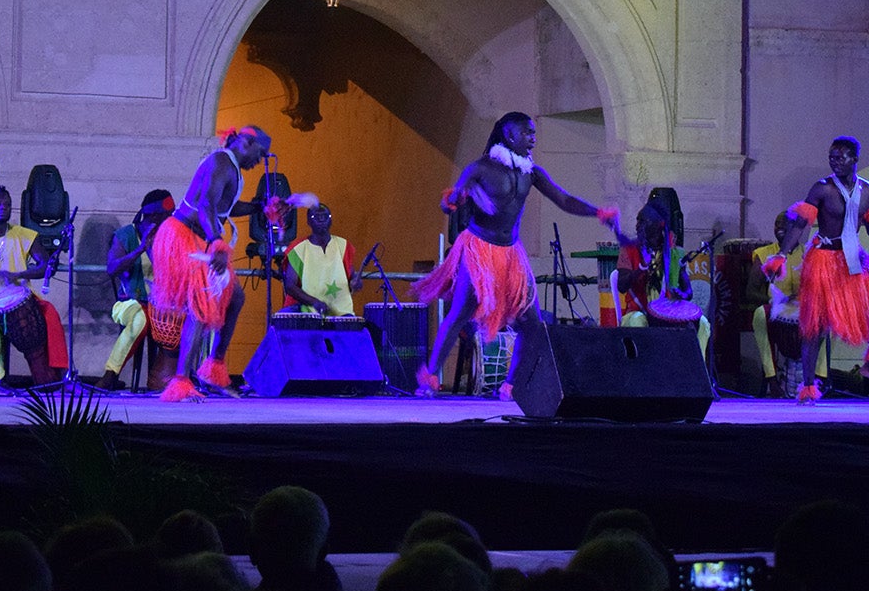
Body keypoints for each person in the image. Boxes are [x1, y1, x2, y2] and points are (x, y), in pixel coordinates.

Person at [413, 112, 619, 399]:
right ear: (509, 135)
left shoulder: (532, 173)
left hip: (511, 256)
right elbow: (452, 201)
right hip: (479, 251)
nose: (533, 138)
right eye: (527, 132)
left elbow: (564, 199)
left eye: (533, 132)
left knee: (532, 325)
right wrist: (453, 200)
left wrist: (598, 213)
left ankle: (511, 385)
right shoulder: (480, 168)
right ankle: (430, 378)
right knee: (460, 313)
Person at [148, 125, 305, 400]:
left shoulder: (231, 168)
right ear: (246, 142)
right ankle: (182, 381)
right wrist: (217, 242)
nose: (261, 160)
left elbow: (225, 207)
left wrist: (259, 207)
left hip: (200, 238)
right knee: (201, 303)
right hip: (185, 237)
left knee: (235, 297)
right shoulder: (221, 161)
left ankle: (214, 368)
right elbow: (207, 205)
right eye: (261, 153)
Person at [762, 136, 869, 403]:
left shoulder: (868, 190)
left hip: (853, 258)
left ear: (855, 159)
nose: (834, 161)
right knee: (816, 326)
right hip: (824, 259)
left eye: (841, 157)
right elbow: (799, 225)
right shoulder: (822, 189)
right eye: (831, 157)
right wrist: (780, 255)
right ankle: (809, 387)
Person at [0, 185, 67, 385]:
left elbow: (45, 266)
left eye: (7, 205)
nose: (3, 208)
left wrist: (18, 274)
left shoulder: (24, 235)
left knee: (50, 313)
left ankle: (57, 375)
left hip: (21, 298)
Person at [96, 188, 174, 391]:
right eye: (168, 215)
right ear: (155, 216)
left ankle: (163, 379)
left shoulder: (169, 237)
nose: (171, 219)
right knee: (140, 318)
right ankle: (110, 374)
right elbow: (112, 268)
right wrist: (139, 250)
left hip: (160, 306)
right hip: (127, 303)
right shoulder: (125, 235)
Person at [614, 200, 708, 355]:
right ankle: (644, 374)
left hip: (669, 315)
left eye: (643, 221)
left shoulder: (674, 253)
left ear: (658, 225)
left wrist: (681, 294)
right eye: (638, 220)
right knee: (638, 321)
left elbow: (688, 293)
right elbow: (621, 285)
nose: (638, 225)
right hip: (639, 311)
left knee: (703, 323)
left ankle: (698, 373)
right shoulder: (629, 249)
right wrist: (640, 270)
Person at [748, 211, 826, 398]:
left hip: (804, 310)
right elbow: (750, 292)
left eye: (786, 225)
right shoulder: (764, 254)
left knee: (826, 317)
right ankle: (771, 379)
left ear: (797, 230)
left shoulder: (810, 254)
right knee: (759, 314)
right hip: (776, 309)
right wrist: (777, 300)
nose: (779, 228)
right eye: (777, 224)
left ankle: (820, 377)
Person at [281, 204, 364, 316]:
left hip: (341, 312)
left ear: (331, 220)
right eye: (316, 217)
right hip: (309, 312)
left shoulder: (342, 245)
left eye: (325, 216)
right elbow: (290, 286)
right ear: (308, 222)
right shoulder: (298, 249)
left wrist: (355, 281)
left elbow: (350, 274)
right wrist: (314, 302)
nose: (321, 220)